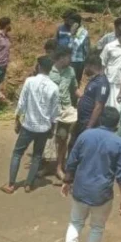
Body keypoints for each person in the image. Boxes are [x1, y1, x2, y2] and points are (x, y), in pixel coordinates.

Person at [60, 107, 121, 242]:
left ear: (100, 120)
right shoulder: (119, 143)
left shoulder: (85, 135)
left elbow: (72, 160)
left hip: (81, 189)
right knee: (96, 227)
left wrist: (67, 181)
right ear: (116, 124)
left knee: (75, 222)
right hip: (102, 194)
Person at [1, 56, 59, 194]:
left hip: (29, 126)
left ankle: (11, 185)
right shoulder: (54, 87)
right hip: (44, 127)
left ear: (38, 67)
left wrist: (17, 120)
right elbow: (54, 111)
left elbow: (21, 103)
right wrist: (52, 128)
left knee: (17, 153)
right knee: (37, 156)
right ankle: (28, 184)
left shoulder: (30, 81)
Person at [48, 48, 79, 181]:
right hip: (49, 111)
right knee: (46, 139)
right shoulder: (48, 71)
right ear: (61, 58)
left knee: (62, 138)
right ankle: (45, 166)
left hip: (65, 111)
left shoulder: (71, 71)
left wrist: (84, 98)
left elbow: (75, 89)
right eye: (68, 57)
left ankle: (59, 167)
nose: (70, 59)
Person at [70, 55, 111, 149]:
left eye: (86, 67)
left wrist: (89, 127)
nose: (84, 70)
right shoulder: (95, 80)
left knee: (80, 148)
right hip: (81, 121)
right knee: (72, 146)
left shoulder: (102, 83)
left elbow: (99, 106)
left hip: (87, 122)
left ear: (92, 66)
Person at [101, 29, 121, 110]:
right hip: (109, 80)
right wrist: (102, 79)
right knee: (105, 104)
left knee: (118, 106)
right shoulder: (109, 46)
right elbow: (103, 63)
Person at [68, 13, 90, 87]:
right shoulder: (71, 30)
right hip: (69, 60)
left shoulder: (83, 32)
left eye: (72, 22)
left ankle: (74, 98)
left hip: (78, 61)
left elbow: (78, 44)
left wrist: (73, 34)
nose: (70, 24)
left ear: (77, 23)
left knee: (75, 82)